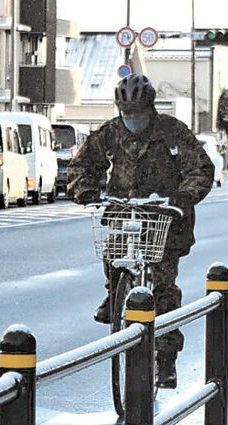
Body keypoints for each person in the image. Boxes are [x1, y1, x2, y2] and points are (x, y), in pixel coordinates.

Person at [65, 74, 214, 389]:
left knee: (163, 288)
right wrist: (87, 191)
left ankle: (166, 358)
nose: (133, 120)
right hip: (123, 210)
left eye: (139, 115)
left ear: (151, 109)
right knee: (113, 253)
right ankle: (113, 295)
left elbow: (200, 168)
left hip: (165, 217)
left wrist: (183, 197)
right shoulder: (110, 132)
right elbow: (81, 166)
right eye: (127, 115)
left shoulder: (172, 132)